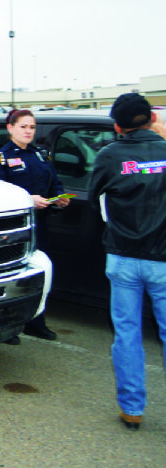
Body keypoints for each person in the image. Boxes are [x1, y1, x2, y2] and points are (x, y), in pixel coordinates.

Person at [88, 93, 166, 431]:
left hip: (122, 257)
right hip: (163, 259)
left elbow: (94, 198)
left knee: (127, 334)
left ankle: (132, 409)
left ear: (117, 125)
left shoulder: (109, 155)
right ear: (150, 119)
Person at [0, 109, 70, 341]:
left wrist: (59, 197)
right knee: (7, 276)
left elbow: (54, 182)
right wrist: (28, 200)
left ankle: (35, 321)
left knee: (38, 272)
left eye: (32, 127)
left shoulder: (40, 154)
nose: (28, 131)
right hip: (10, 230)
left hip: (38, 225)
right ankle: (3, 325)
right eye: (23, 126)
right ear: (10, 128)